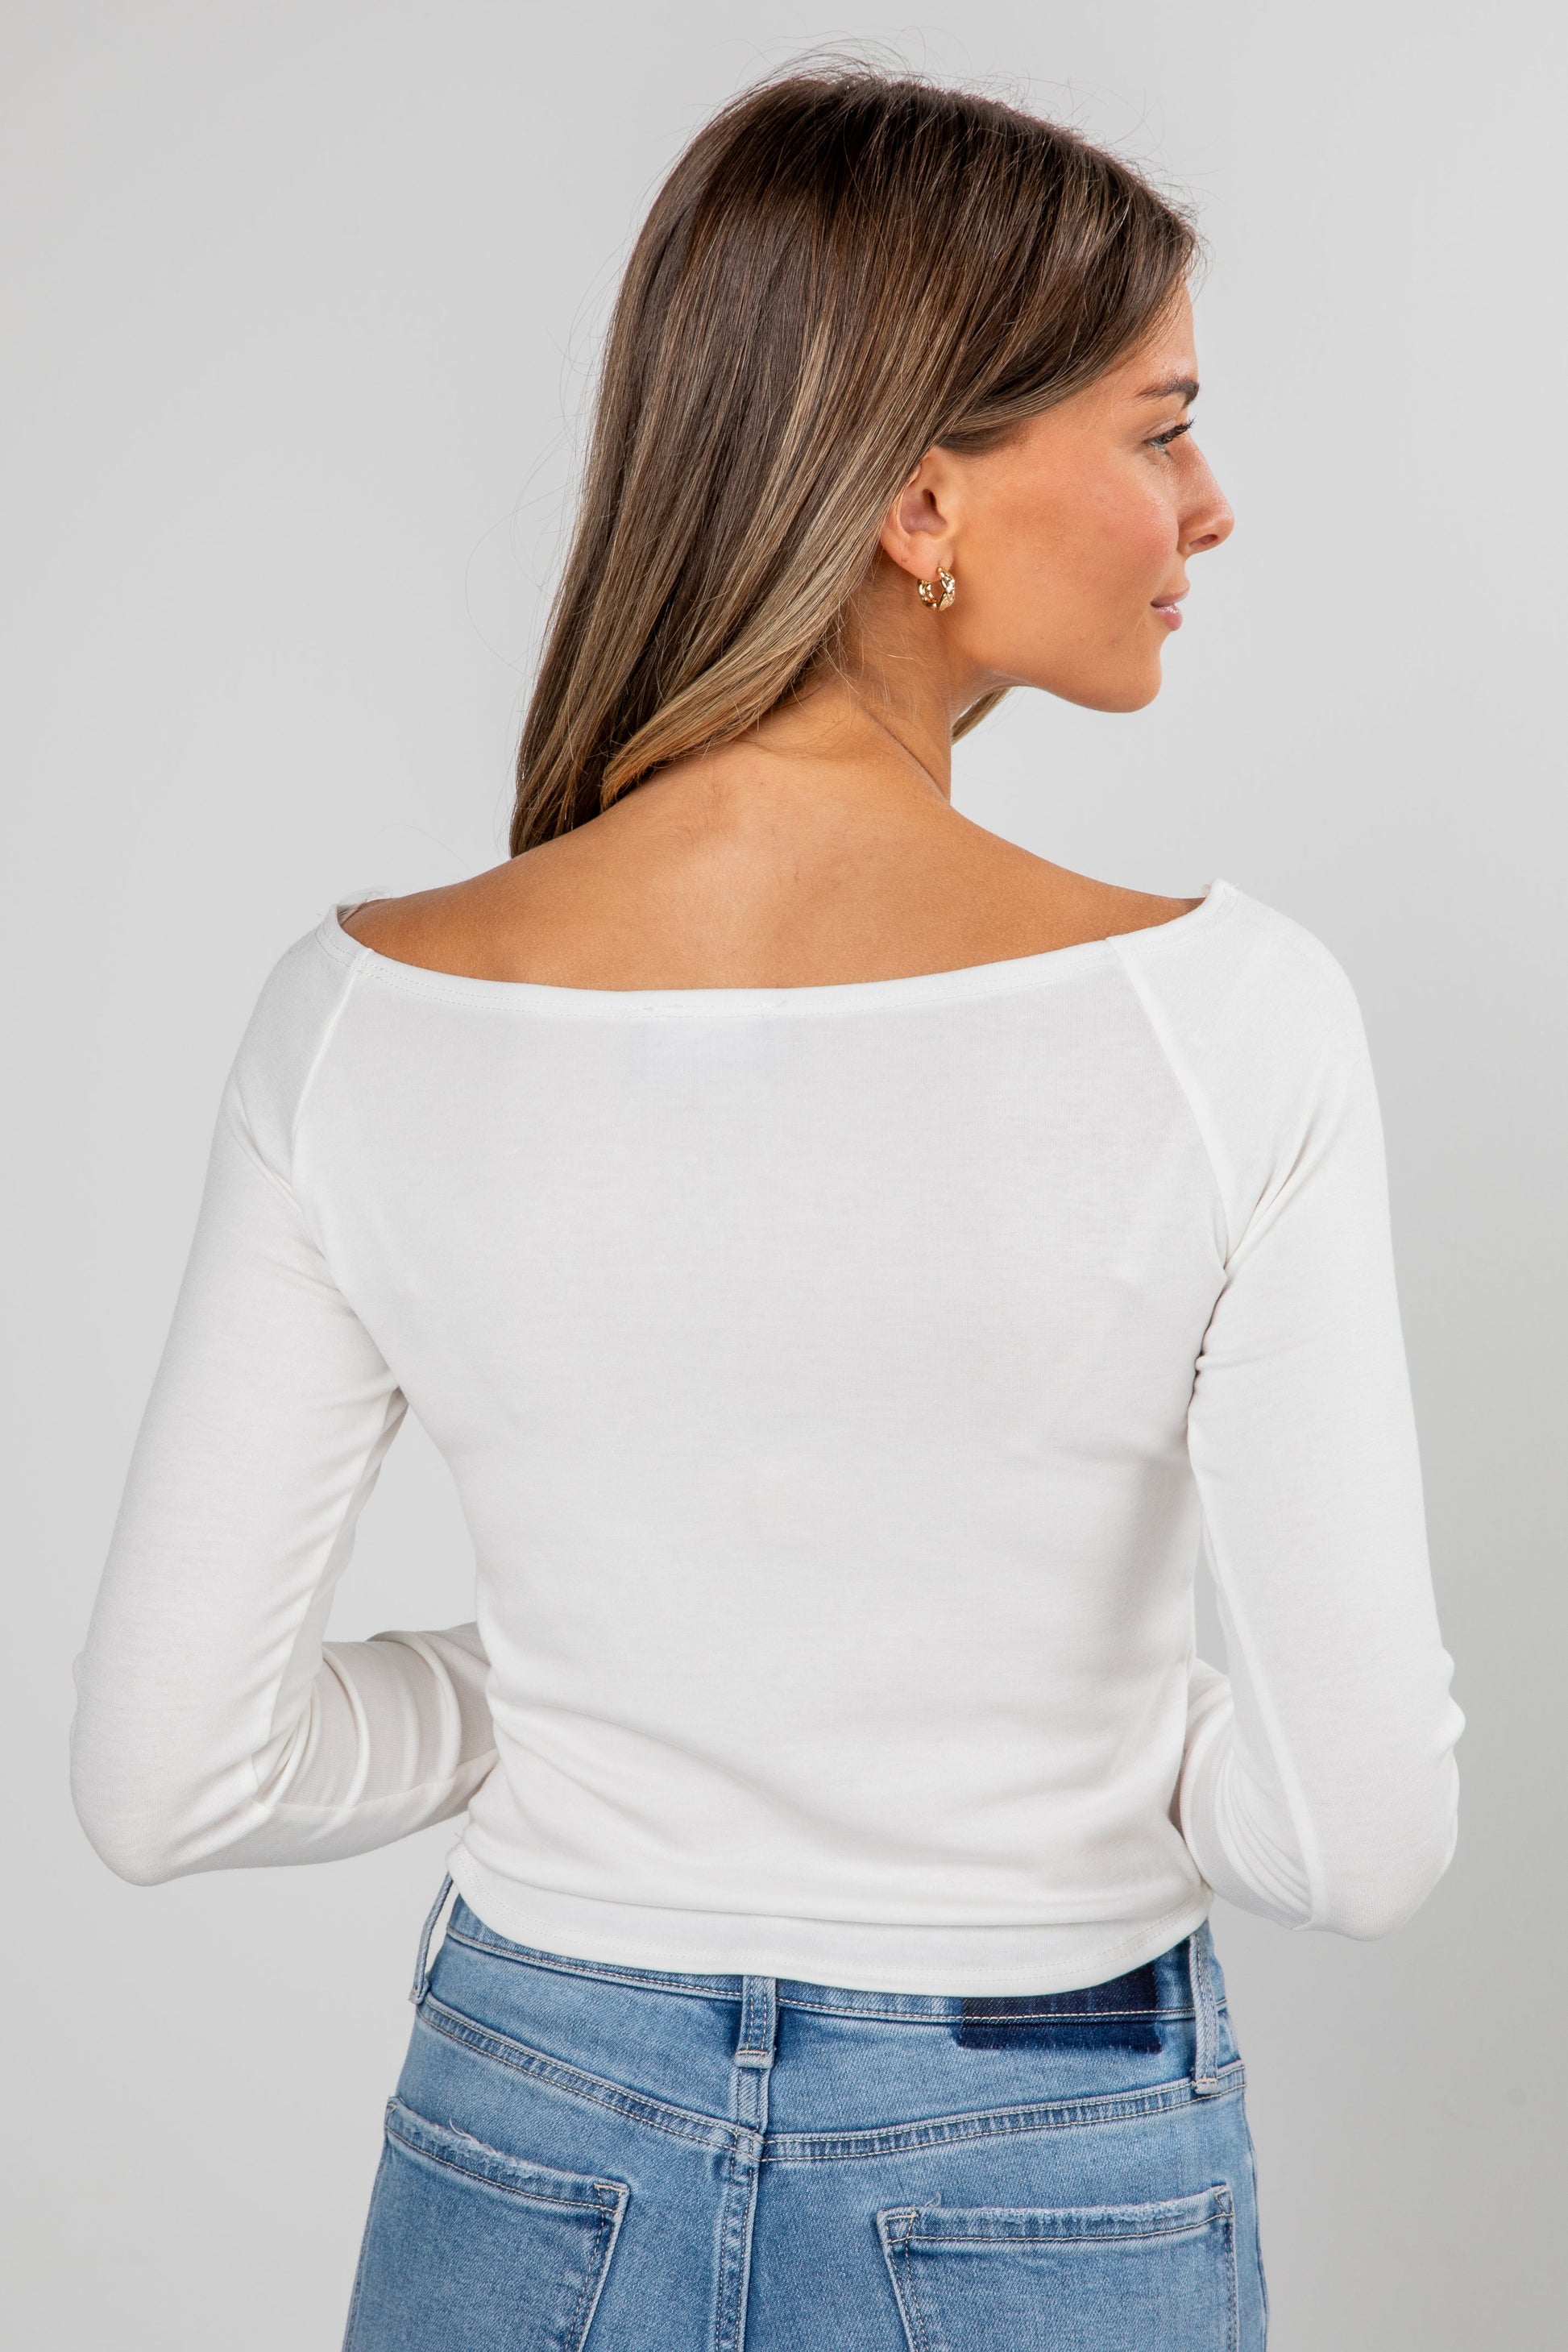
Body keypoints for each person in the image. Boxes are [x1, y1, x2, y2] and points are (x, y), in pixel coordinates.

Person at [71, 66, 1462, 2350]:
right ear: (921, 500)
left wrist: (599, 1688)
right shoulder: (1218, 1021)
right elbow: (1357, 1831)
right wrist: (1016, 1705)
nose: (1207, 505)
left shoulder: (358, 1019)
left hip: (531, 2119)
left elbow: (167, 1774)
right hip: (1032, 2143)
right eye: (1160, 429)